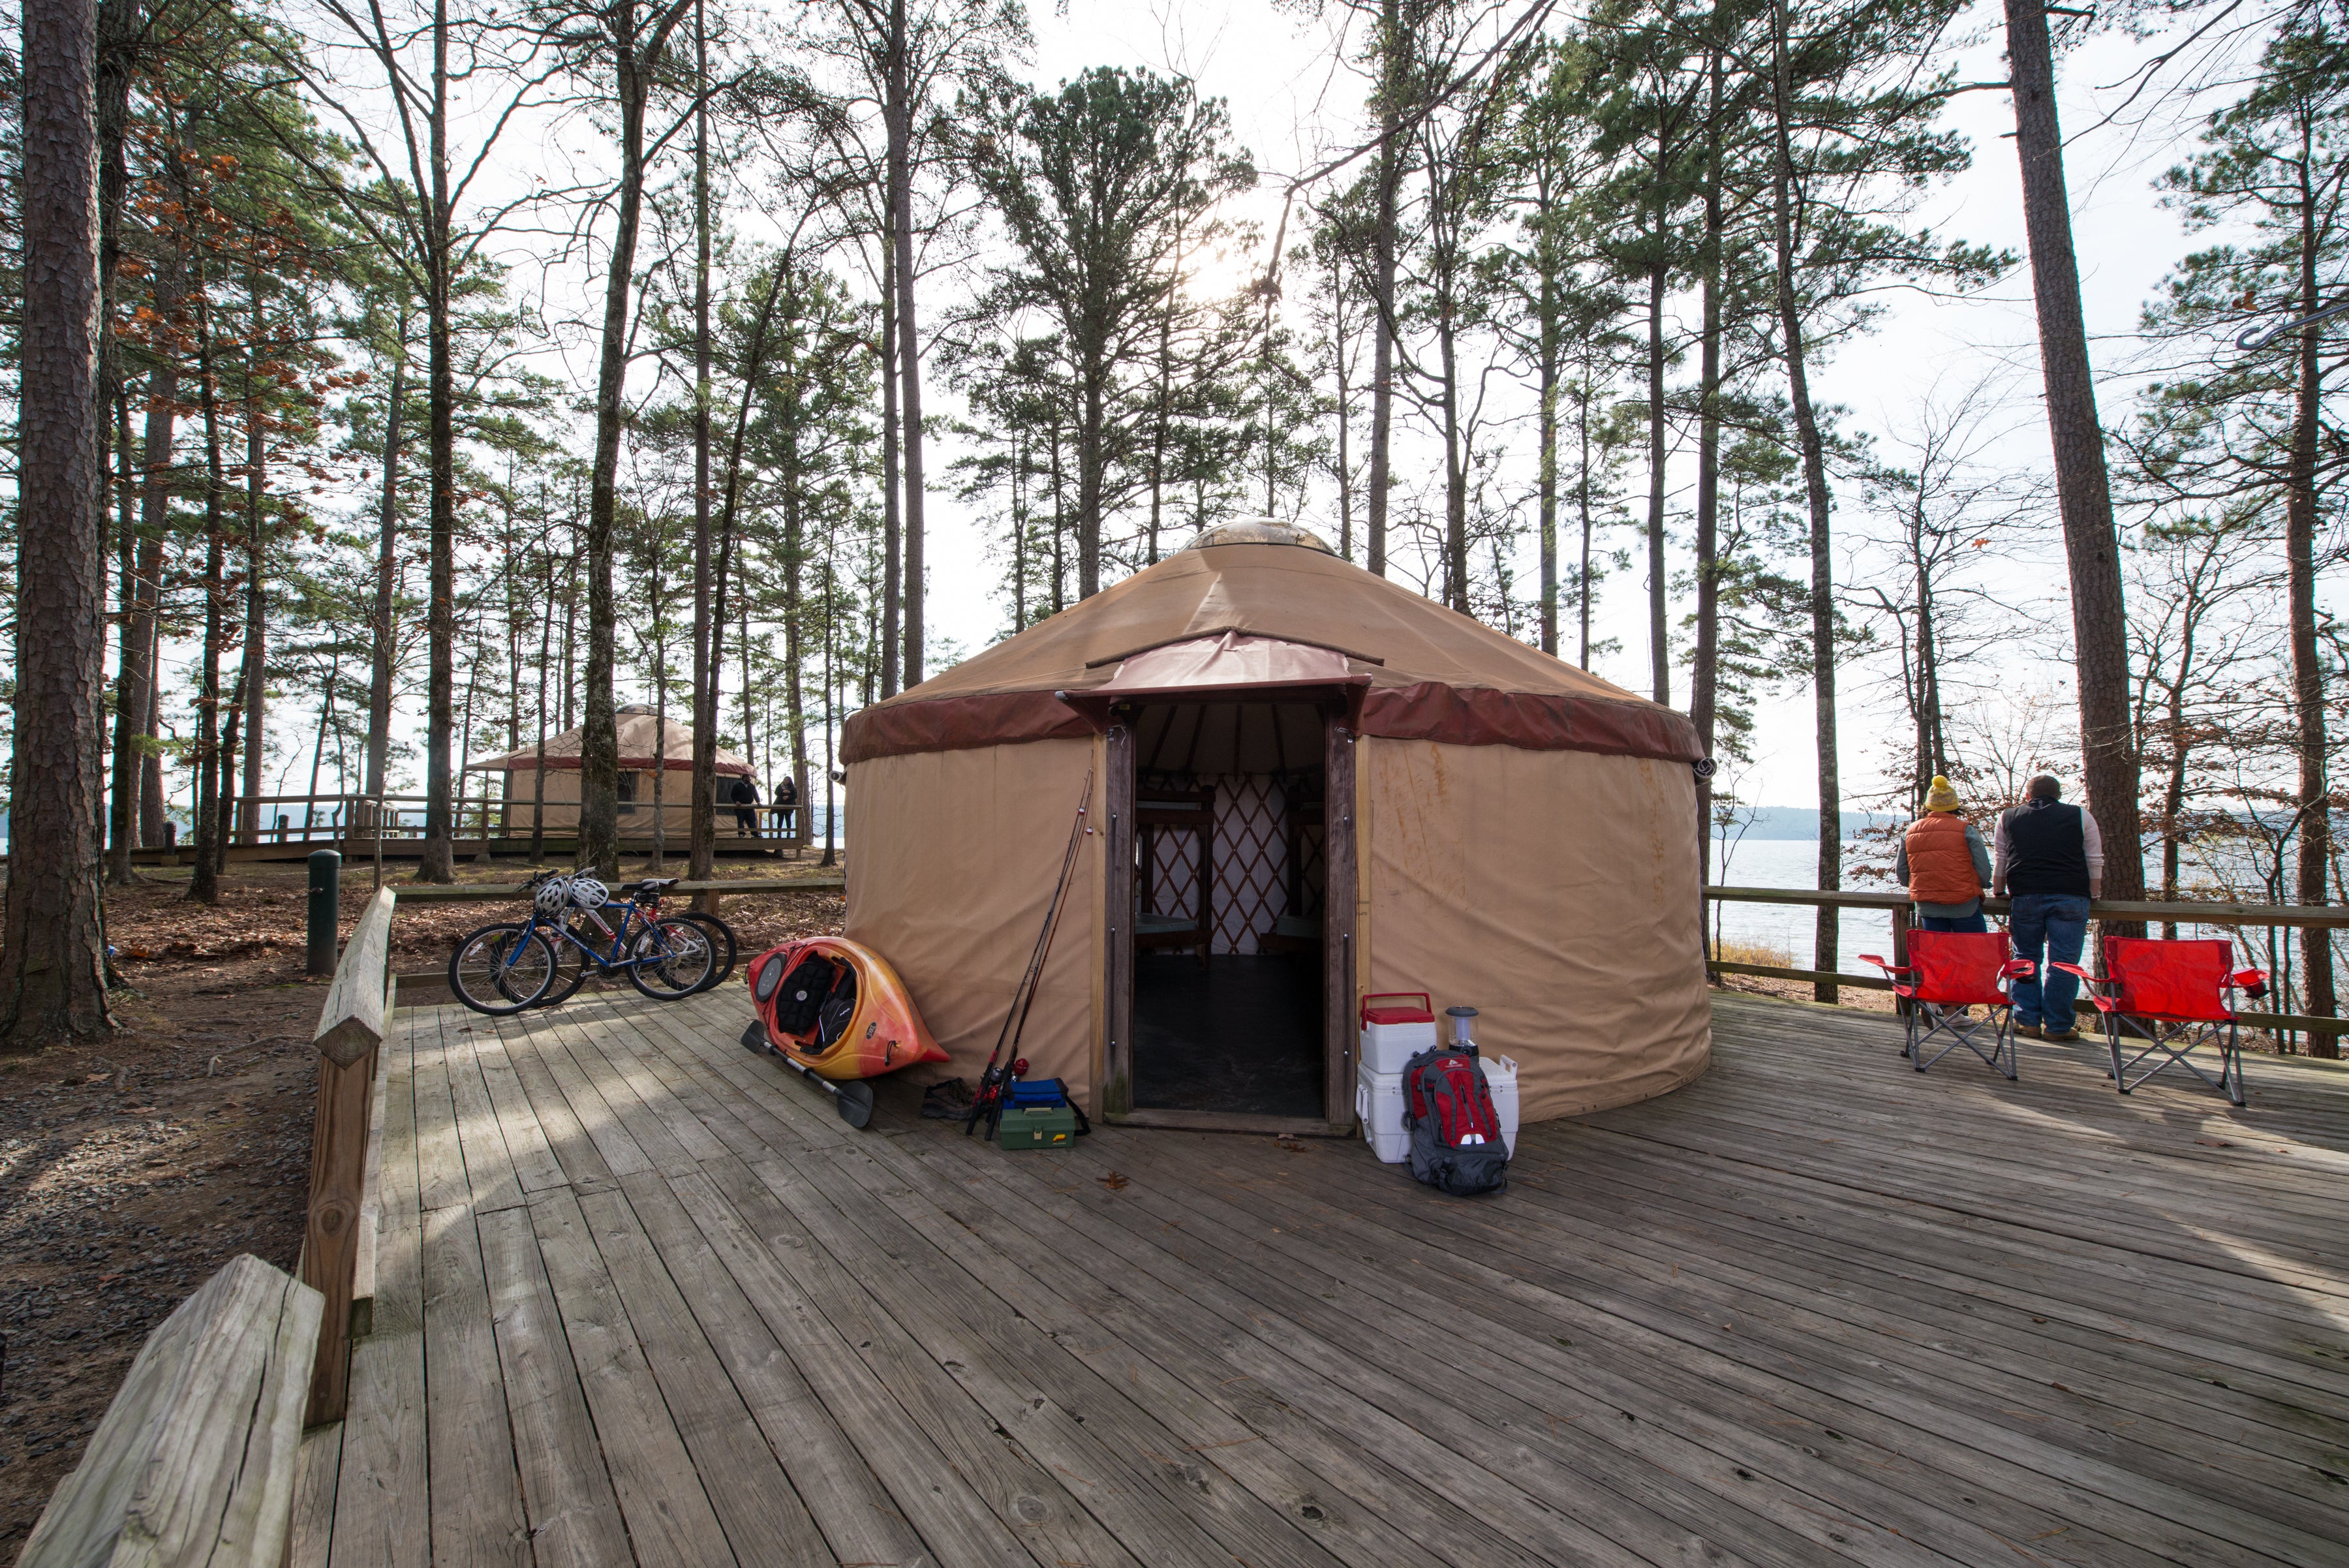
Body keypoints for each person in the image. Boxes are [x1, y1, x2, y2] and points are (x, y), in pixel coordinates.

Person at [1995, 774, 2103, 1042]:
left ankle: (2028, 1020)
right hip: (2071, 895)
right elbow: (2094, 858)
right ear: (2059, 795)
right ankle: (2058, 1026)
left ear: (2028, 796)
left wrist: (1998, 890)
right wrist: (2093, 893)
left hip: (2026, 894)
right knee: (2064, 963)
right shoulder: (2080, 816)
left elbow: (2001, 857)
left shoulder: (2008, 817)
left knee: (2025, 958)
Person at [1896, 776, 1991, 934]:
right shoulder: (1966, 830)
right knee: (1974, 952)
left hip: (1927, 905)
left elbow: (1902, 871)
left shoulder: (1911, 831)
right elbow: (1983, 869)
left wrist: (1919, 888)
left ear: (1928, 805)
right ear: (1955, 806)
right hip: (1965, 904)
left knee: (1937, 955)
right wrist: (1980, 885)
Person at [728, 773, 760, 838]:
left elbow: (755, 794)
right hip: (740, 806)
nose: (750, 779)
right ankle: (741, 833)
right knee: (741, 820)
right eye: (748, 778)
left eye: (750, 778)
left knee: (752, 820)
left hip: (749, 806)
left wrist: (758, 802)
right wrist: (736, 801)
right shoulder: (737, 786)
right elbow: (733, 795)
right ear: (744, 778)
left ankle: (755, 834)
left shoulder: (751, 786)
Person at [773, 773, 799, 839]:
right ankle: (779, 834)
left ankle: (789, 833)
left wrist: (788, 797)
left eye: (787, 780)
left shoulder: (793, 787)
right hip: (780, 804)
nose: (786, 781)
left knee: (788, 819)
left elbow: (795, 796)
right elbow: (776, 793)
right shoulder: (780, 786)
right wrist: (783, 793)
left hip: (789, 805)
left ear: (789, 781)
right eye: (785, 780)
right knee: (780, 819)